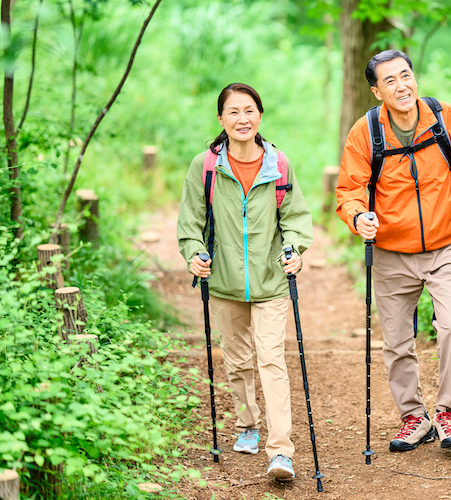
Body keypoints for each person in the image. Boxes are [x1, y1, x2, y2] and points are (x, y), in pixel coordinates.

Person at [336, 50, 451, 452]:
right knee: (396, 342)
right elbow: (349, 190)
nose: (401, 86)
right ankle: (413, 417)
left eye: (405, 76)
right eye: (389, 81)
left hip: (447, 246)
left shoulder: (446, 118)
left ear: (415, 78)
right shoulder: (366, 132)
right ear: (376, 91)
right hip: (390, 252)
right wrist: (358, 218)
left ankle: (446, 412)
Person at [177, 83, 313, 480]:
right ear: (221, 119)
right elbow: (190, 222)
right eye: (233, 112)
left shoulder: (279, 164)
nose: (243, 118)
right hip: (223, 283)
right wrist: (194, 255)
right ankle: (247, 424)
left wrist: (293, 248)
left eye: (249, 110)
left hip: (271, 282)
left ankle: (281, 452)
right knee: (238, 363)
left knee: (271, 361)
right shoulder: (205, 166)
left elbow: (295, 218)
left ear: (260, 116)